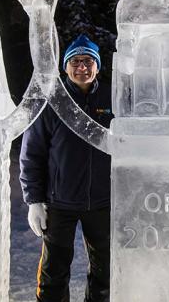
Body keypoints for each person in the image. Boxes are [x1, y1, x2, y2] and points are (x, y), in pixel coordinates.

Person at [19, 34, 113, 302]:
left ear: (97, 65)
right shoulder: (53, 100)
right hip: (59, 203)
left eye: (87, 61)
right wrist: (34, 200)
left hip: (103, 203)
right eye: (75, 61)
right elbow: (32, 153)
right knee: (53, 272)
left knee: (105, 272)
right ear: (65, 66)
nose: (81, 67)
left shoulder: (113, 98)